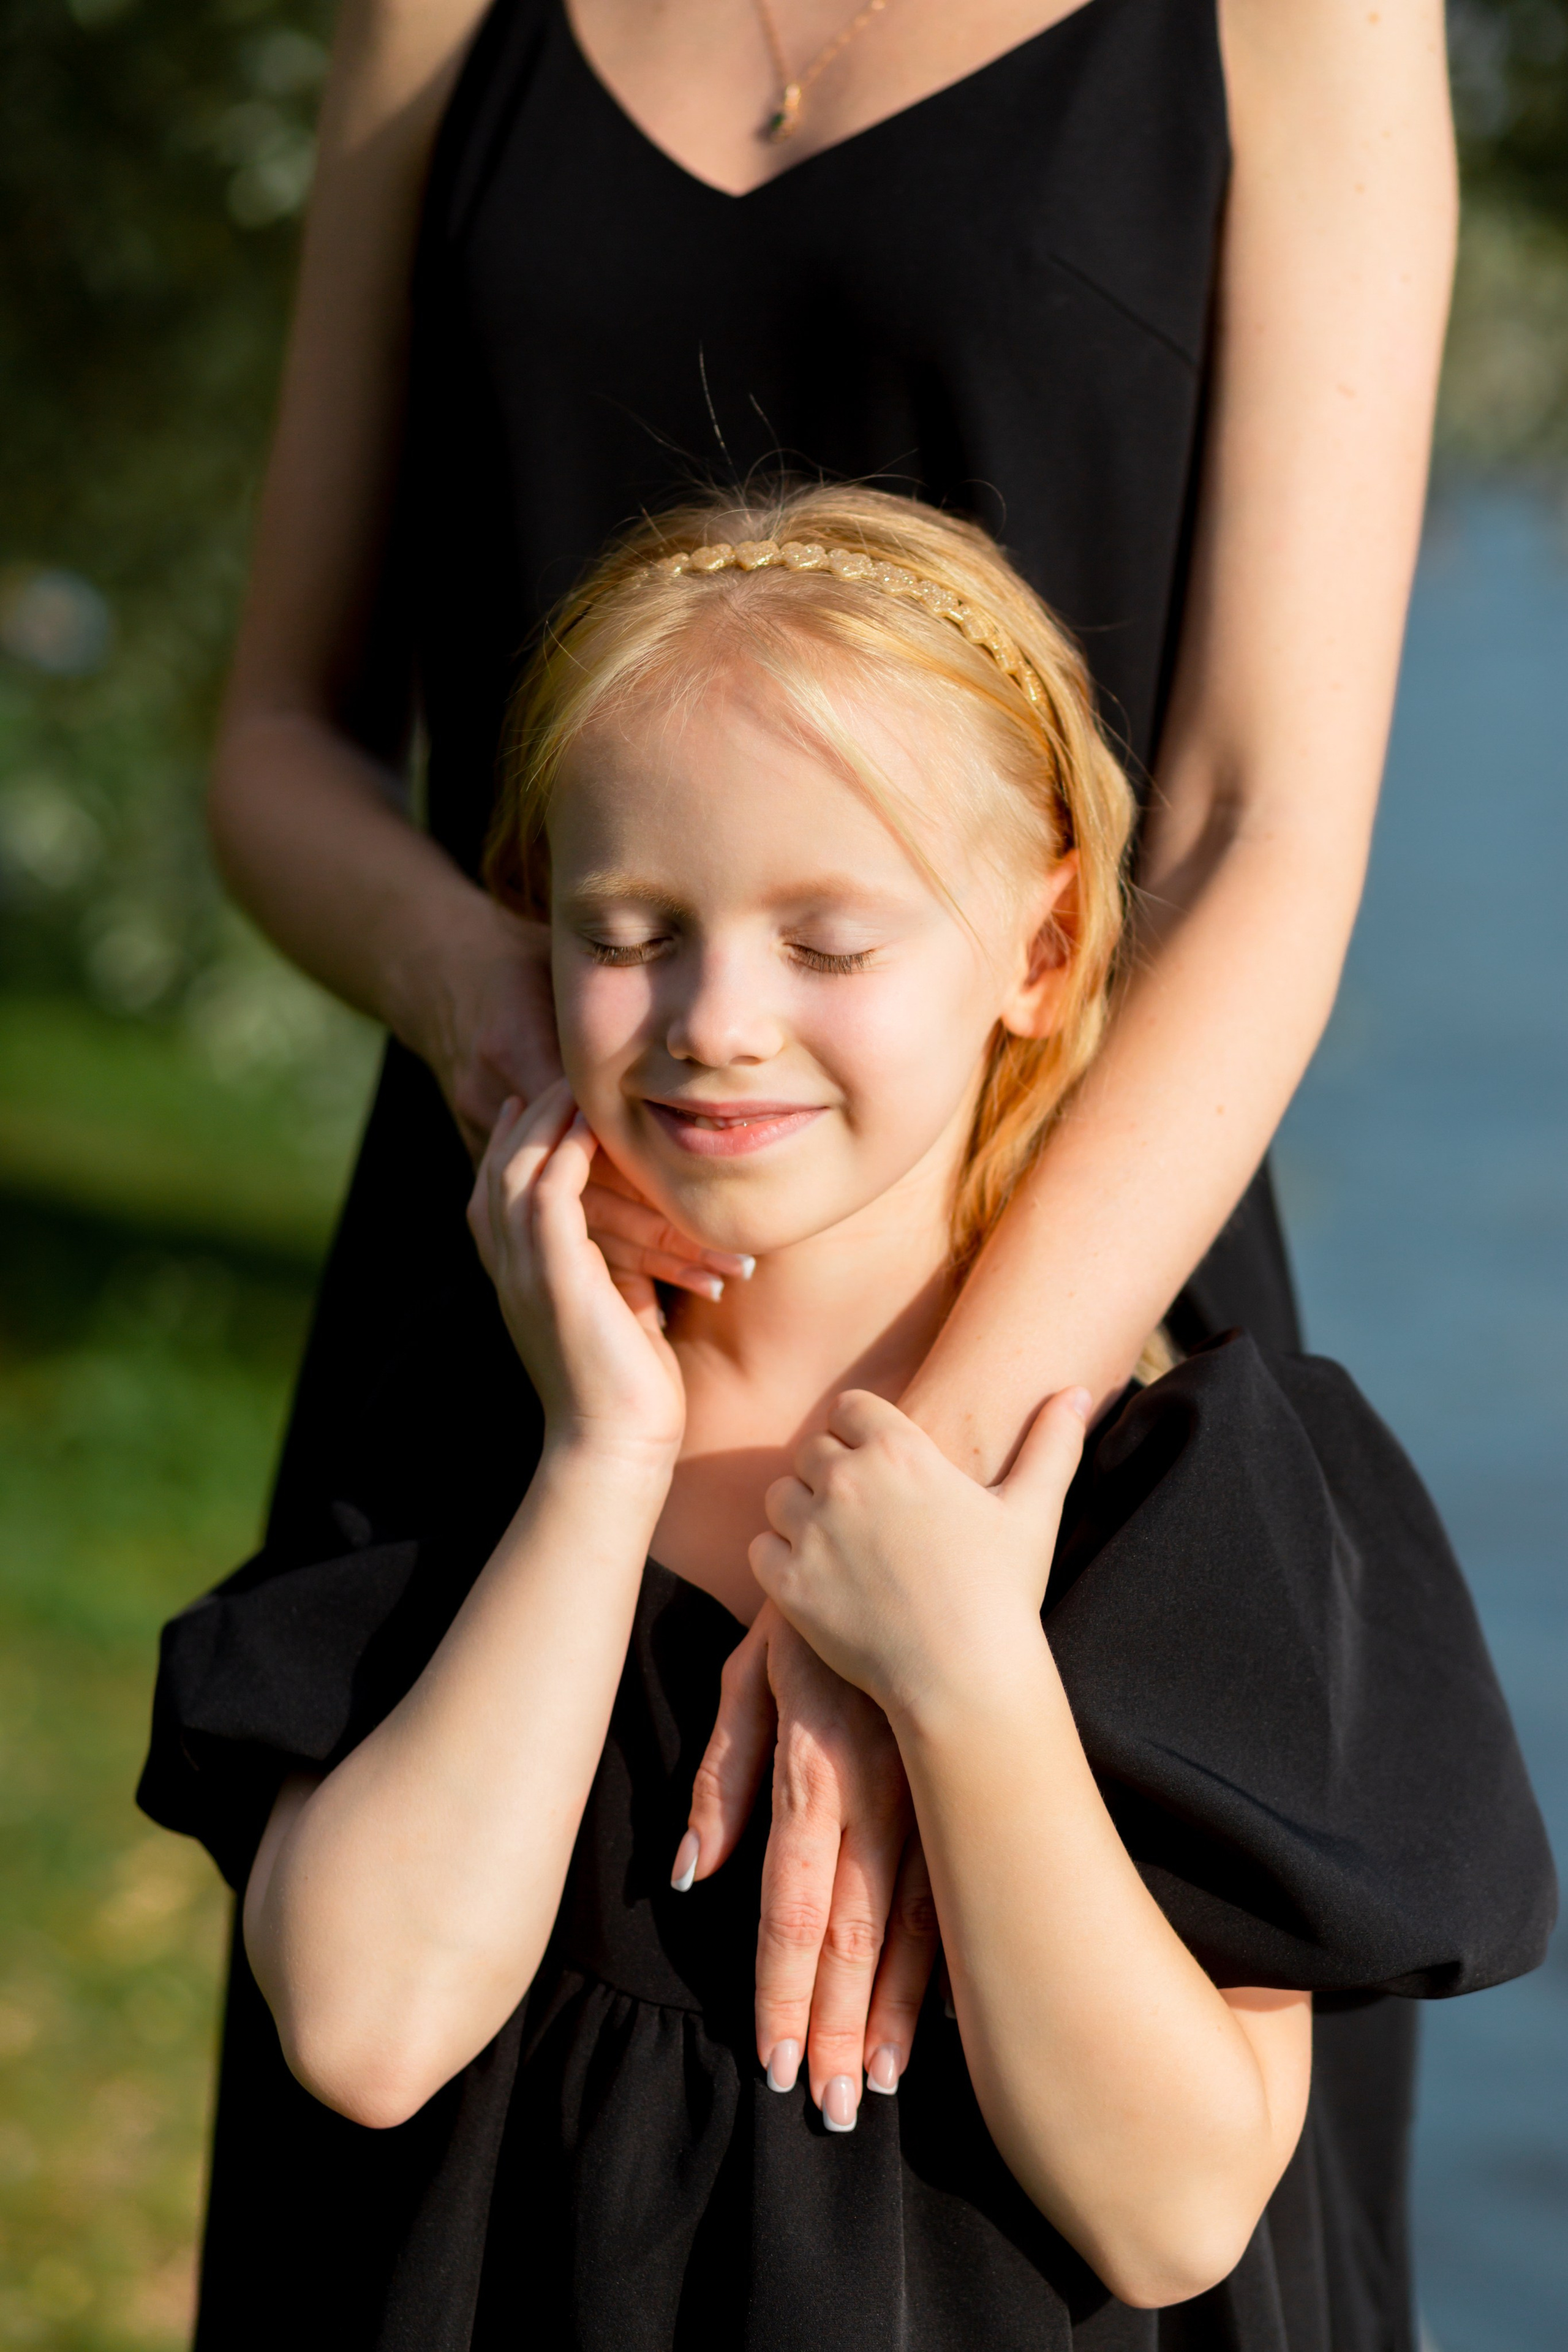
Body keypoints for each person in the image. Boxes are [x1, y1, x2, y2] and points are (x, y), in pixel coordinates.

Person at [197, 0, 1460, 2311]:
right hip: (548, 1286)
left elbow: (1263, 831)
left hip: (1065, 1296)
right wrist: (517, 1008)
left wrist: (920, 1523)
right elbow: (279, 740)